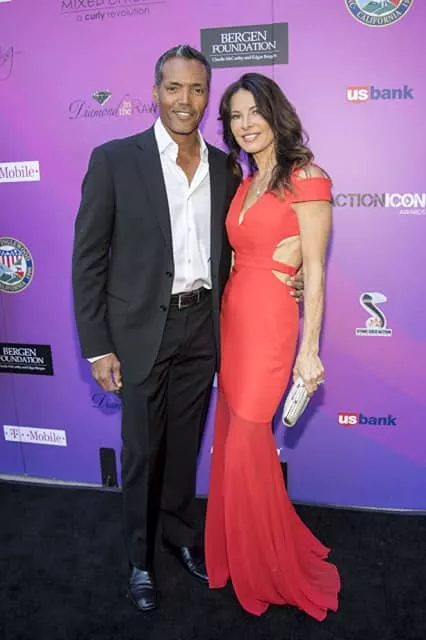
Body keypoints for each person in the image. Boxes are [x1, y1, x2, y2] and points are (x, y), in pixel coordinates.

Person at [72, 47, 304, 612]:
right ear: (155, 92)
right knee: (142, 450)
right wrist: (98, 346)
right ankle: (139, 558)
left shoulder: (227, 167)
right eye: (174, 88)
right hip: (138, 330)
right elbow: (89, 260)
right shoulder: (114, 160)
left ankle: (178, 535)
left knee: (184, 445)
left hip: (205, 325)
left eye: (197, 89)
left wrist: (291, 276)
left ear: (207, 97)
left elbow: (247, 243)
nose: (185, 100)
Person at [205, 73, 341, 621]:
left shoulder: (308, 177)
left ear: (274, 113)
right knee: (237, 439)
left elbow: (317, 271)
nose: (245, 124)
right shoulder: (244, 180)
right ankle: (244, 550)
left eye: (254, 112)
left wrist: (310, 350)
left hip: (270, 322)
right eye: (235, 116)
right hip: (233, 317)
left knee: (248, 437)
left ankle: (269, 566)